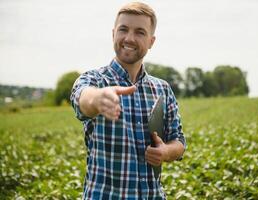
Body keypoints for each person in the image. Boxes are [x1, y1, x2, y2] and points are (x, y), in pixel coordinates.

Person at [70, 2, 186, 199]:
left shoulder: (162, 89)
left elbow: (179, 141)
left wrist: (166, 151)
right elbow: (83, 98)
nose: (129, 38)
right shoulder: (95, 81)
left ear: (151, 41)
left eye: (140, 32)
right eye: (123, 29)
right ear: (113, 33)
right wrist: (98, 99)